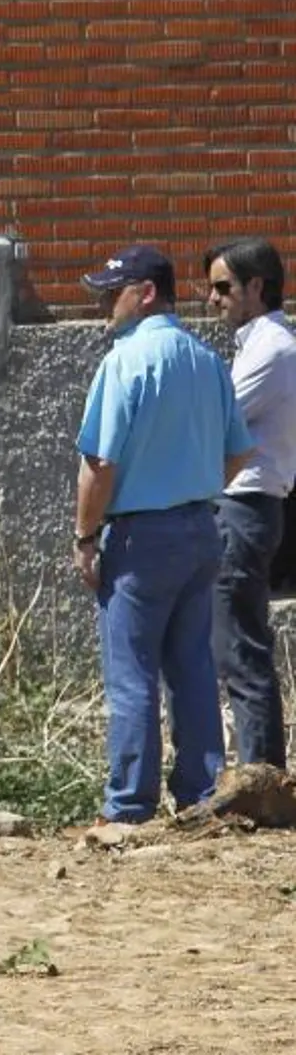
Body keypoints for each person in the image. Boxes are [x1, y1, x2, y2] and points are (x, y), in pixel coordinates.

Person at [73, 245, 254, 825]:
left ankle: (128, 805)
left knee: (131, 674)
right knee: (193, 668)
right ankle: (202, 795)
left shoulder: (124, 362)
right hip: (201, 528)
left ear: (146, 292)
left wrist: (85, 536)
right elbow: (238, 451)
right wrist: (194, 488)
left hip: (140, 538)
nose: (105, 302)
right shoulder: (205, 359)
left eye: (114, 291)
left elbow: (99, 465)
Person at [204, 238, 296, 769]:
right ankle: (259, 776)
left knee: (241, 649)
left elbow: (217, 421)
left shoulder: (271, 348)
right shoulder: (256, 343)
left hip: (245, 508)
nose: (213, 298)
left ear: (256, 287)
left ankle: (261, 779)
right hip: (244, 508)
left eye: (223, 287)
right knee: (236, 647)